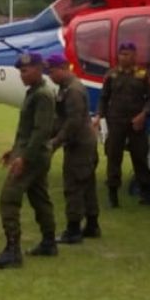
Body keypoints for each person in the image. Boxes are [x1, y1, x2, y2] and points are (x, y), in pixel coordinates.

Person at [0, 52, 58, 269]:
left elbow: (41, 131)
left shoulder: (42, 95)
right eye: (20, 71)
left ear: (38, 69)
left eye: (25, 71)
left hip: (33, 156)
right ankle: (48, 242)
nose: (22, 75)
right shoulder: (35, 92)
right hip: (33, 153)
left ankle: (12, 250)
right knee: (39, 198)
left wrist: (24, 158)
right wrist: (13, 151)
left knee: (9, 199)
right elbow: (28, 130)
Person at [94, 41, 150, 207]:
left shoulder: (143, 75)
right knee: (114, 157)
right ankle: (112, 195)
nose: (123, 57)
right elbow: (104, 98)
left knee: (140, 157)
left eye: (127, 54)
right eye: (121, 54)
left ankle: (146, 194)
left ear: (135, 55)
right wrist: (98, 116)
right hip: (116, 121)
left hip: (136, 122)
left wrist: (144, 115)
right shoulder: (111, 75)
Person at [46, 53, 100, 243]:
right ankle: (92, 225)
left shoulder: (73, 90)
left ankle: (74, 229)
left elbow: (73, 122)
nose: (50, 76)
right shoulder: (66, 87)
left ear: (62, 68)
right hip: (82, 142)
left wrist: (56, 141)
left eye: (52, 72)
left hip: (79, 144)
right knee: (86, 184)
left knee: (74, 185)